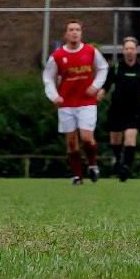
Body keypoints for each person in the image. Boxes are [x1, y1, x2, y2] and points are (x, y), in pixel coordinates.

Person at [43, 20, 109, 185]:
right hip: (66, 103)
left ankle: (93, 165)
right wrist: (54, 96)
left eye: (78, 30)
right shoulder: (57, 56)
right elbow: (48, 78)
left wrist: (95, 86)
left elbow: (103, 68)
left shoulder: (90, 52)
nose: (74, 32)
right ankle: (78, 176)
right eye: (71, 30)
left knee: (87, 137)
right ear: (66, 34)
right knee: (72, 143)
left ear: (81, 33)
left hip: (87, 102)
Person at [103, 37, 140, 182]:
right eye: (127, 49)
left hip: (134, 110)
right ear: (123, 51)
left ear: (136, 51)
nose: (129, 51)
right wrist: (98, 95)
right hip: (117, 108)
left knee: (130, 138)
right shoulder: (116, 68)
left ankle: (125, 166)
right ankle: (118, 160)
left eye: (132, 49)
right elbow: (106, 86)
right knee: (115, 140)